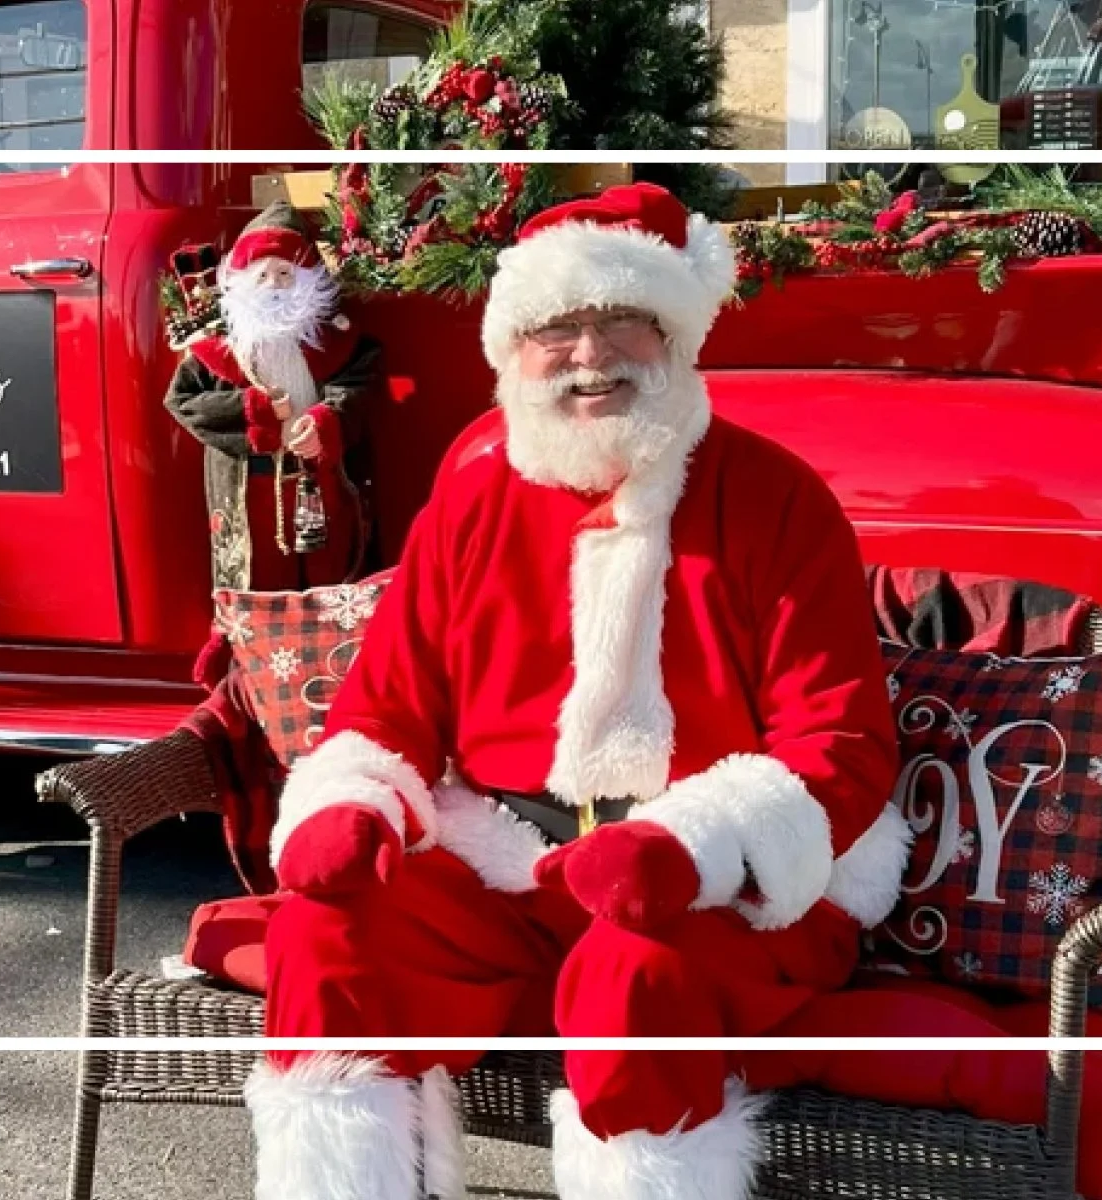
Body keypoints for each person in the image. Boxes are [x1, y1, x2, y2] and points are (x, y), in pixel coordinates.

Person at [237, 181, 914, 1200]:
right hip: (516, 863)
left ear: (676, 335)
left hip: (727, 891)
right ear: (514, 354)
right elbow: (388, 708)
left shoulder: (778, 499)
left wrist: (692, 847)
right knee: (323, 932)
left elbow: (841, 746)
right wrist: (353, 802)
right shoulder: (470, 503)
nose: (589, 354)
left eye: (621, 322)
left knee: (631, 973)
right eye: (557, 328)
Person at [164, 201, 376, 592]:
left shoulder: (337, 343)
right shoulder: (216, 353)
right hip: (249, 487)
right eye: (263, 276)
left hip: (318, 483)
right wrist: (257, 411)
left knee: (328, 578)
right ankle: (252, 649)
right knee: (257, 580)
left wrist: (326, 422)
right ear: (242, 282)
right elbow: (183, 401)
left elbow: (359, 389)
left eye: (286, 274)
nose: (276, 286)